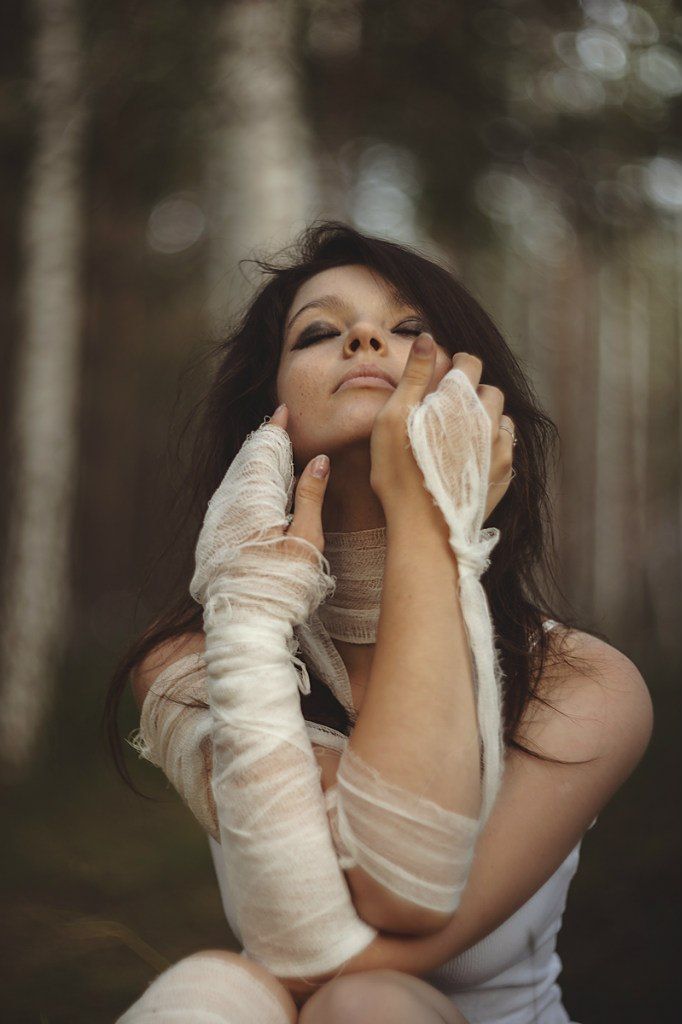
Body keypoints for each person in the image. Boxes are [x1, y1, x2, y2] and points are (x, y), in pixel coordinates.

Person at [104, 221, 653, 1023]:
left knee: (357, 1002)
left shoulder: (583, 686)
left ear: (480, 401)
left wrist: (426, 521)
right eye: (319, 332)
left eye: (409, 328)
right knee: (214, 993)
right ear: (266, 413)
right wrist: (249, 615)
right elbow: (310, 943)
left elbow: (386, 907)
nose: (364, 339)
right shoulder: (191, 663)